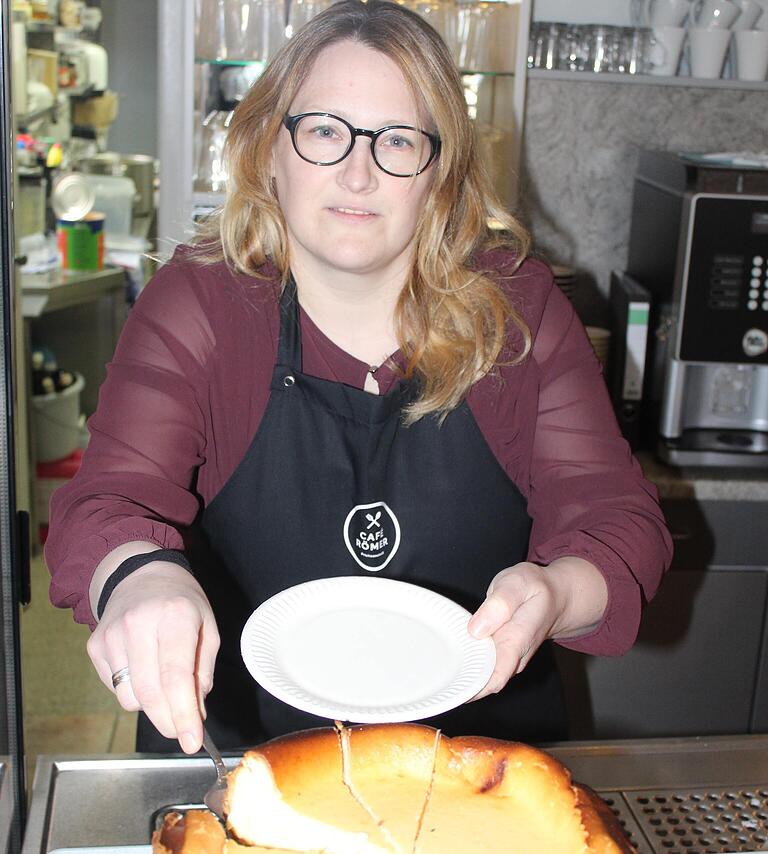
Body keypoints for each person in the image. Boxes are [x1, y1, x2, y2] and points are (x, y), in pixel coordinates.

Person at [45, 0, 672, 755]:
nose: (357, 170)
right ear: (267, 150)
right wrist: (139, 577)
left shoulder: (520, 314)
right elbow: (107, 499)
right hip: (239, 766)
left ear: (440, 173)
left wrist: (558, 592)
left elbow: (619, 524)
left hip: (479, 769)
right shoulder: (202, 304)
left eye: (398, 140)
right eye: (324, 132)